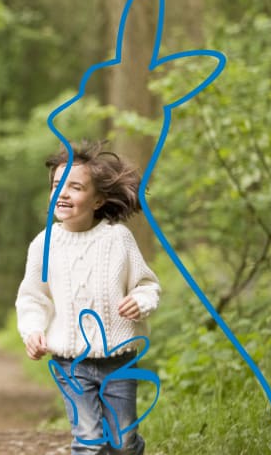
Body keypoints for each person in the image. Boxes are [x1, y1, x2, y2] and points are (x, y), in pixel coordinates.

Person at [15, 141, 160, 455]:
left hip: (119, 361)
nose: (63, 193)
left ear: (98, 200)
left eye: (75, 187)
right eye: (57, 185)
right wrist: (33, 330)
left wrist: (141, 302)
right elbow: (32, 298)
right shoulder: (44, 244)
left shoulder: (117, 238)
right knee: (88, 440)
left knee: (122, 444)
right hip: (71, 362)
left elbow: (147, 285)